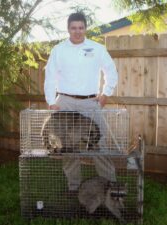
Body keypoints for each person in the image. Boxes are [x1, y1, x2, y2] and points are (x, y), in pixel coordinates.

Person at [44, 12, 118, 191]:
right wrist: (51, 101)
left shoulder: (97, 49)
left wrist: (105, 94)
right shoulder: (58, 50)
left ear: (85, 28)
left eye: (81, 28)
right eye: (73, 28)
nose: (77, 31)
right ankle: (74, 187)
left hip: (90, 103)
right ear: (68, 29)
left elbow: (111, 71)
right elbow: (50, 77)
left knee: (99, 145)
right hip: (65, 103)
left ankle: (110, 187)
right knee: (68, 147)